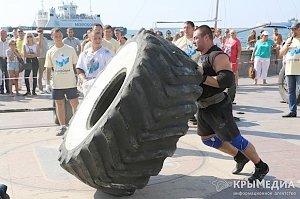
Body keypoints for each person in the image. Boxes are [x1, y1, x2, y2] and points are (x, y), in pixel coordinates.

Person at [193, 25, 269, 182]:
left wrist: (202, 78)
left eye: (196, 38)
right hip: (203, 107)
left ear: (206, 37)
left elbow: (226, 81)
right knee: (207, 139)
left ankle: (261, 166)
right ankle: (240, 157)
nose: (194, 41)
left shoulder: (217, 56)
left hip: (218, 106)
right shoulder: (199, 56)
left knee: (235, 139)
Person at [45, 28, 79, 136]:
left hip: (70, 82)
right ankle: (63, 126)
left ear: (62, 36)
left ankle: (75, 125)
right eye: (56, 36)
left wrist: (78, 79)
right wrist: (47, 83)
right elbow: (48, 68)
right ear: (52, 37)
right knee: (59, 104)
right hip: (57, 83)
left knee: (74, 104)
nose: (58, 38)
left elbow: (76, 65)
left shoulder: (70, 49)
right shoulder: (50, 51)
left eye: (60, 36)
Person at [76, 31, 114, 96]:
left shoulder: (108, 53)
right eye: (95, 38)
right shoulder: (84, 54)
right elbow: (79, 69)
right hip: (88, 83)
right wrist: (84, 80)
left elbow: (112, 69)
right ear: (90, 39)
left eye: (99, 38)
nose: (98, 40)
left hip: (102, 84)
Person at [280, 22, 300, 117]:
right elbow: (281, 53)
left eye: (295, 29)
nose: (293, 31)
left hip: (299, 70)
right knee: (291, 91)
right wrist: (287, 46)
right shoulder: (289, 40)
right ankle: (292, 111)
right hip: (290, 70)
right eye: (292, 29)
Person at [36, 27, 49, 93]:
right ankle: (40, 88)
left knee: (47, 73)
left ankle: (48, 87)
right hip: (40, 58)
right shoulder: (36, 39)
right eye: (39, 31)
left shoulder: (46, 39)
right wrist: (40, 38)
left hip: (46, 57)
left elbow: (47, 48)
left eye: (41, 31)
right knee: (40, 73)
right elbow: (39, 46)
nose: (40, 32)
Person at [0, 29, 9, 94]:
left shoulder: (9, 43)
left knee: (7, 74)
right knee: (0, 75)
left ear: (6, 34)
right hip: (0, 59)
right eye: (1, 33)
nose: (2, 34)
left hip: (7, 59)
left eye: (4, 33)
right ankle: (1, 89)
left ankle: (8, 89)